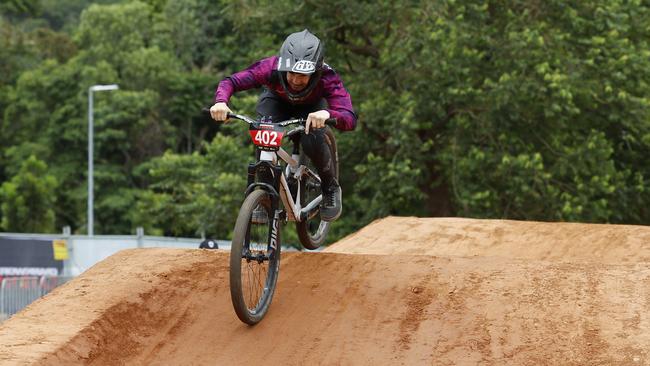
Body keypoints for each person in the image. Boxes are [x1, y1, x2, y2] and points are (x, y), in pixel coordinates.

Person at [210, 29, 357, 222]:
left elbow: (349, 118)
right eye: (291, 73)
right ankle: (264, 194)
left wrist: (328, 113)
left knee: (312, 137)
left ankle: (330, 186)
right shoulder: (271, 67)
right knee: (263, 130)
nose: (296, 80)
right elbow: (232, 81)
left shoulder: (327, 78)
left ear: (316, 71)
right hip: (276, 102)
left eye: (303, 75)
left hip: (312, 110)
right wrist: (221, 102)